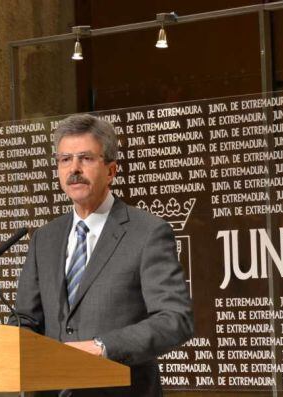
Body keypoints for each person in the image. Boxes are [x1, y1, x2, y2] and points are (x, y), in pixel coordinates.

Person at [11, 114, 194, 396]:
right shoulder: (44, 239)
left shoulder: (147, 233)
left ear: (111, 170)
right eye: (65, 160)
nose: (74, 169)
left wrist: (102, 347)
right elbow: (26, 319)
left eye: (85, 158)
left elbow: (174, 319)